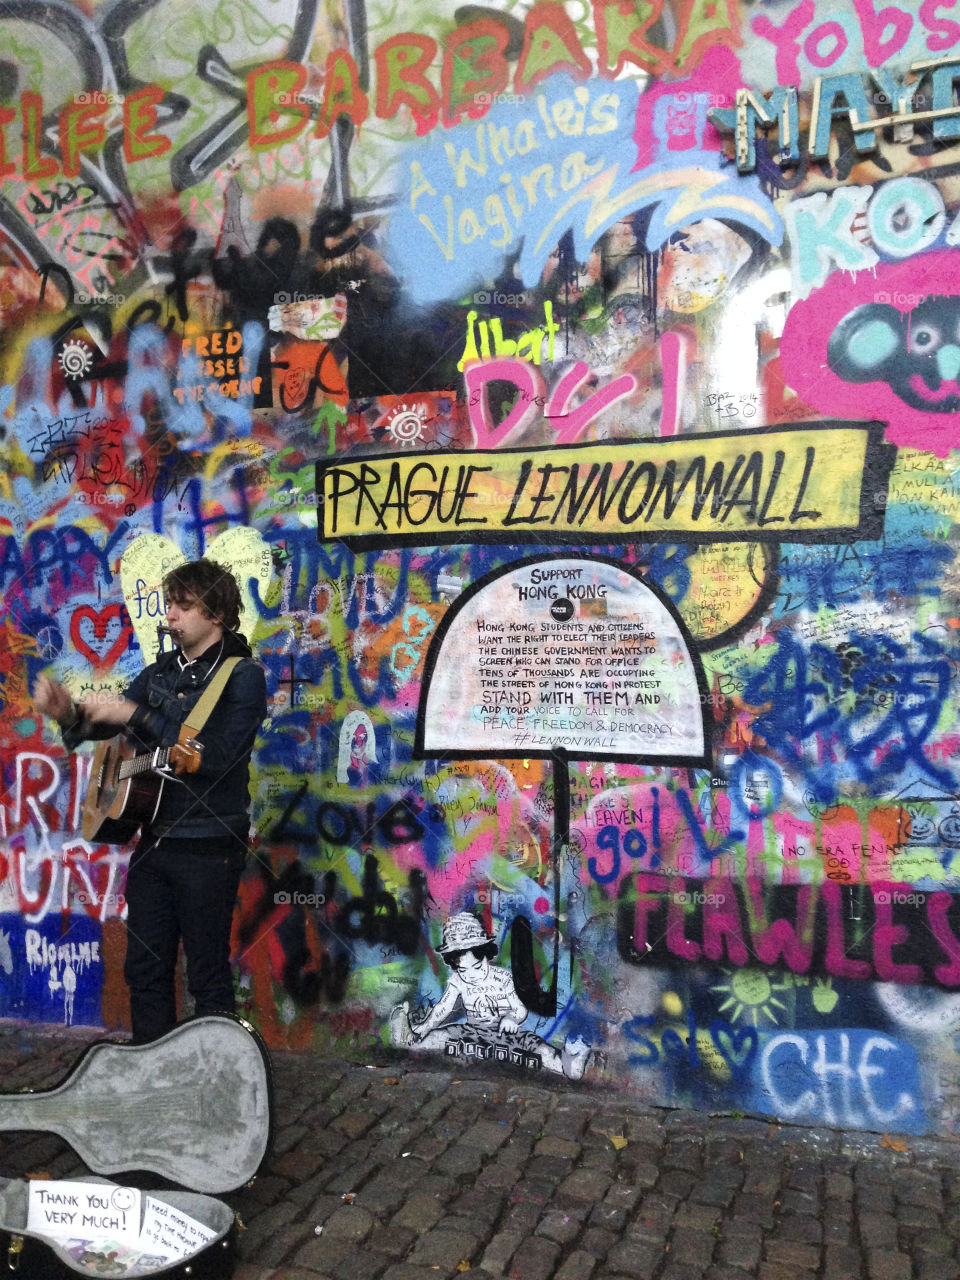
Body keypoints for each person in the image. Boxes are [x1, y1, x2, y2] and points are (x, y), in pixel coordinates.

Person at [33, 559, 268, 1043]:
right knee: (144, 969)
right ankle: (152, 1070)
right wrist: (68, 714)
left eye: (183, 606)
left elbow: (218, 758)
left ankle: (214, 1079)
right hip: (154, 844)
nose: (172, 617)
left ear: (217, 613)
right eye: (170, 606)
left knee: (205, 976)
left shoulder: (243, 677)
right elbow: (105, 726)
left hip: (209, 847)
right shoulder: (159, 672)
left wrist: (136, 713)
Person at [389, 912, 590, 1078]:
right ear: (454, 966)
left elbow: (520, 1009)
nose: (472, 976)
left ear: (487, 955)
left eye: (476, 967)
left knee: (540, 1050)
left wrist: (512, 1018)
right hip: (472, 1031)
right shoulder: (458, 981)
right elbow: (444, 1007)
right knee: (440, 1036)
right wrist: (424, 1026)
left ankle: (570, 1065)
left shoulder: (502, 978)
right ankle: (408, 1037)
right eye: (463, 970)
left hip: (509, 1035)